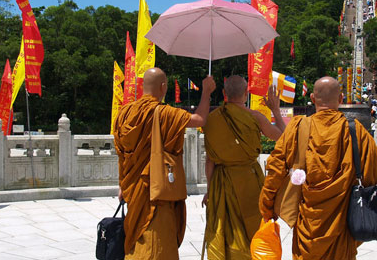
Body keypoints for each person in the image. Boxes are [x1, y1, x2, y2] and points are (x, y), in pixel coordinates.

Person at [259, 76, 377, 260]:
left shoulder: (298, 127)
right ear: (341, 99)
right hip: (341, 224)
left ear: (312, 98)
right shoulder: (356, 131)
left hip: (307, 225)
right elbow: (373, 173)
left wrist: (267, 206)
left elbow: (276, 169)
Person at [113, 67, 216, 259]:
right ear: (163, 87)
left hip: (133, 188)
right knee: (155, 240)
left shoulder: (123, 114)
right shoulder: (164, 113)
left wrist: (122, 184)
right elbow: (200, 119)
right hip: (155, 191)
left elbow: (121, 154)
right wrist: (206, 92)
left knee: (136, 236)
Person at [202, 76, 286, 259]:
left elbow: (210, 160)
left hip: (221, 181)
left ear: (224, 94)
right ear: (246, 94)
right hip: (250, 180)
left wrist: (209, 190)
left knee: (223, 230)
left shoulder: (212, 119)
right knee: (252, 227)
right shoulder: (255, 117)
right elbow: (282, 137)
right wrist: (276, 111)